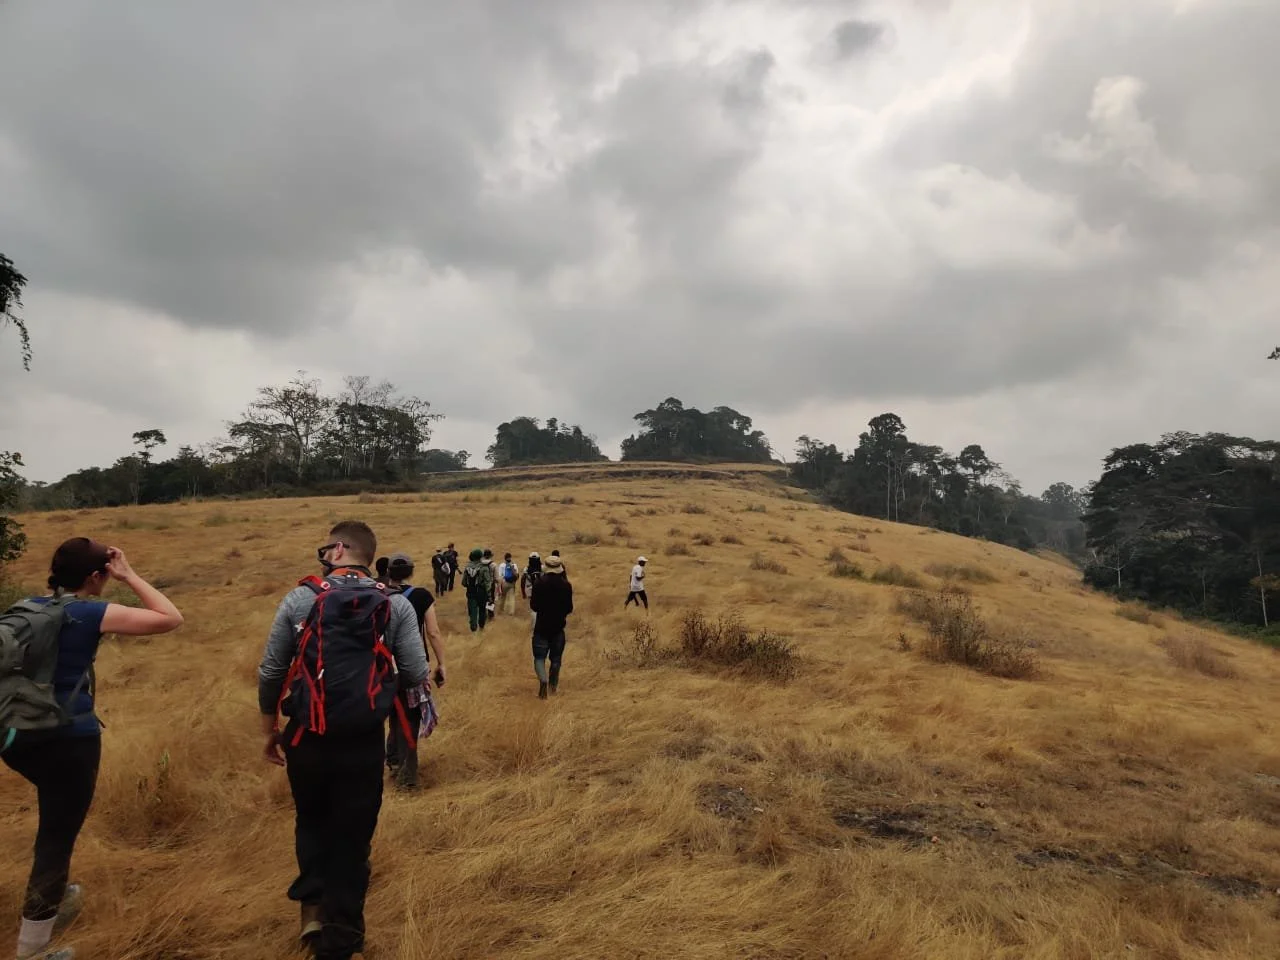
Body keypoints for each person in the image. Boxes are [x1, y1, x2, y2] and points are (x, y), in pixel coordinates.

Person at [3, 538, 183, 960]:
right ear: (95, 576)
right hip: (69, 739)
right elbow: (170, 618)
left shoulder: (25, 607)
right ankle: (33, 948)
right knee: (56, 839)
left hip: (15, 736)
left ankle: (56, 898)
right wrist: (129, 575)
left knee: (54, 811)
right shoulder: (89, 613)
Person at [258, 521, 429, 960]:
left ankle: (312, 911)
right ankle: (342, 936)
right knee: (353, 836)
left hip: (306, 736)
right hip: (363, 739)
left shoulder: (300, 598)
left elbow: (272, 670)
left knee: (311, 820)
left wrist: (269, 728)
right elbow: (415, 672)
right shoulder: (395, 604)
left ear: (336, 550)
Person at [380, 554, 446, 792]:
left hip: (384, 666)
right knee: (410, 717)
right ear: (411, 572)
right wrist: (442, 663)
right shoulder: (421, 596)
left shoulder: (379, 594)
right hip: (412, 664)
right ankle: (407, 777)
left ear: (389, 572)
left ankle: (393, 759)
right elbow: (433, 632)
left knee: (394, 713)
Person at [529, 555, 573, 699]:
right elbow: (569, 608)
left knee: (539, 658)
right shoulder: (566, 585)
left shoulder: (539, 583)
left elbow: (534, 606)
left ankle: (543, 680)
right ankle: (553, 687)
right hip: (558, 628)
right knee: (556, 659)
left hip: (541, 627)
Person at [460, 548, 493, 633]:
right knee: (482, 610)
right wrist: (489, 595)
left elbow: (463, 582)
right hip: (481, 592)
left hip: (471, 592)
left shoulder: (467, 567)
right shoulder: (484, 567)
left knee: (472, 610)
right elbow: (488, 583)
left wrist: (469, 586)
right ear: (480, 557)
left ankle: (473, 626)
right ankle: (481, 626)